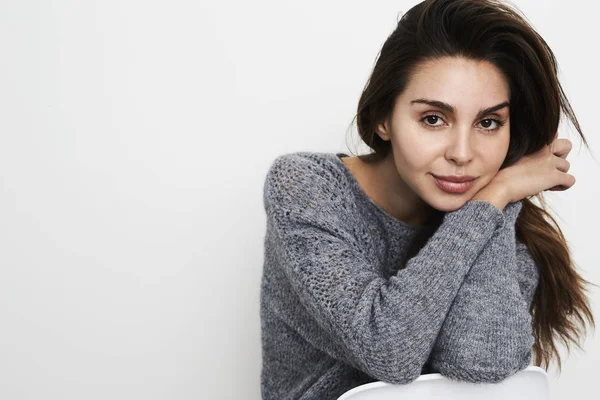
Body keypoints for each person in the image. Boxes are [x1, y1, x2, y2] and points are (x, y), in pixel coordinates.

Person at [259, 0, 595, 399]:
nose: (462, 153)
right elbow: (388, 351)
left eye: (489, 123)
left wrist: (496, 203)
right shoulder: (305, 188)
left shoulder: (501, 229)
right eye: (433, 119)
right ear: (384, 118)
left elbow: (480, 368)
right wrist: (494, 195)